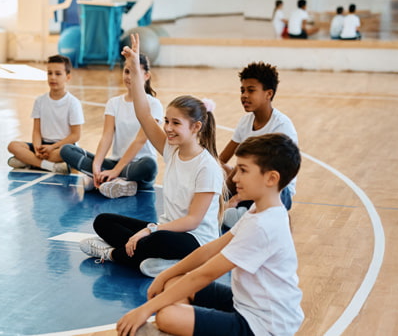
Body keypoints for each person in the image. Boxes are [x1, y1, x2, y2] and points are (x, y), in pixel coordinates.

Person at [115, 133, 304, 336]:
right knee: (172, 283)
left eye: (243, 170)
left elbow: (205, 274)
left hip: (264, 326)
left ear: (271, 178)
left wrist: (144, 310)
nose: (235, 177)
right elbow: (208, 251)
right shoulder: (259, 210)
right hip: (245, 304)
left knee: (166, 317)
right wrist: (164, 275)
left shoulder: (263, 226)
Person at [79, 33, 224, 278]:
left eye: (175, 123)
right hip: (165, 231)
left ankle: (113, 255)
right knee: (102, 221)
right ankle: (159, 261)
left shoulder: (208, 167)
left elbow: (192, 222)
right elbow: (144, 114)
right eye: (166, 121)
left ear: (196, 127)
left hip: (195, 241)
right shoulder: (172, 150)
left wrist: (150, 230)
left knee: (150, 242)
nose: (167, 128)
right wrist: (135, 68)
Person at [59, 53, 163, 199]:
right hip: (114, 163)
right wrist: (96, 166)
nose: (129, 76)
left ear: (146, 76)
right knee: (66, 150)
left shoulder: (154, 104)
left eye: (134, 73)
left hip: (139, 167)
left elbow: (140, 140)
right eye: (126, 71)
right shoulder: (114, 103)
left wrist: (115, 171)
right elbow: (106, 137)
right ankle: (114, 181)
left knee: (150, 165)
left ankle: (113, 178)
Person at [218, 62, 299, 229]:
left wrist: (237, 196)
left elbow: (276, 176)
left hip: (276, 189)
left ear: (268, 93)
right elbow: (222, 158)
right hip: (249, 185)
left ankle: (235, 214)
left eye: (251, 90)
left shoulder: (281, 126)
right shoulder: (245, 122)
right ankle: (232, 213)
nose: (244, 95)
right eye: (242, 90)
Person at [7, 55, 84, 174]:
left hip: (61, 147)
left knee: (67, 152)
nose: (53, 77)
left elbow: (75, 135)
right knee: (13, 146)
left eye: (58, 74)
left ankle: (29, 161)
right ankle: (51, 166)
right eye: (49, 73)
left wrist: (52, 147)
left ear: (68, 77)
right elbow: (36, 131)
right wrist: (37, 148)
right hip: (43, 147)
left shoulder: (73, 103)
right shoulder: (40, 101)